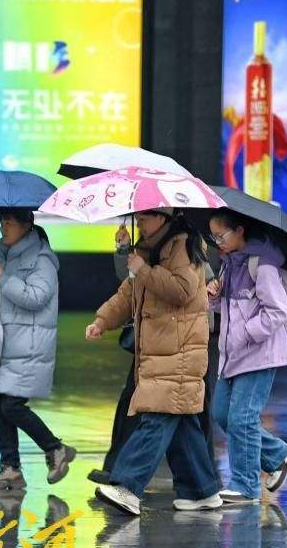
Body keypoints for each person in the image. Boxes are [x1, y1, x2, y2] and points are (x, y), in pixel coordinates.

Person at [87, 208, 222, 516]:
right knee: (182, 423)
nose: (139, 223)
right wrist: (102, 321)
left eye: (145, 218)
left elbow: (184, 290)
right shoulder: (148, 249)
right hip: (161, 350)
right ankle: (201, 491)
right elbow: (128, 292)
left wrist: (144, 269)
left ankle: (127, 486)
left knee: (156, 417)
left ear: (163, 217)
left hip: (180, 350)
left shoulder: (184, 246)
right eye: (138, 218)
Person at [207, 209, 287, 505]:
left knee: (242, 418)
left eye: (221, 235)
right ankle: (278, 455)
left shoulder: (263, 264)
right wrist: (213, 297)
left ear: (240, 231)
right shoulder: (228, 265)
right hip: (232, 354)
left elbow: (277, 311)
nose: (216, 241)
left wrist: (245, 333)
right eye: (213, 236)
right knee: (222, 413)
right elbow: (230, 310)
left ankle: (245, 485)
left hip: (260, 353)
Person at [0, 208, 75, 491]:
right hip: (5, 342)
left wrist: (4, 279)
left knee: (12, 405)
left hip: (28, 343)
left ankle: (55, 448)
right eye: (1, 221)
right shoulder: (3, 255)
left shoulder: (42, 259)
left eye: (9, 222)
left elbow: (36, 296)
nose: (3, 227)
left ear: (26, 224)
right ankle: (10, 467)